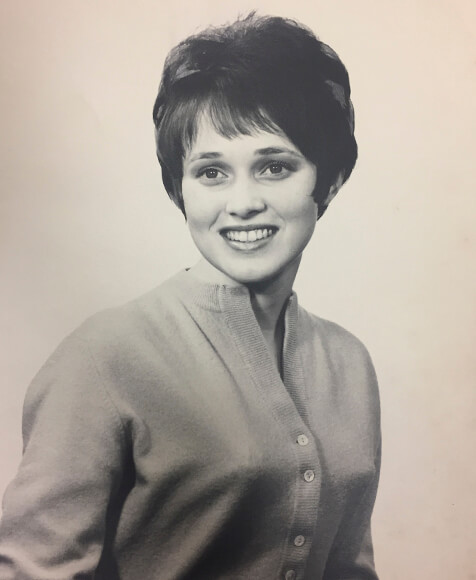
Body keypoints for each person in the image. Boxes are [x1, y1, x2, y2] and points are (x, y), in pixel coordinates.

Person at [0, 13, 381, 580]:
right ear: (180, 187)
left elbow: (351, 568)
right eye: (211, 172)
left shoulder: (349, 363)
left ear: (326, 180)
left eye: (274, 166)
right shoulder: (105, 356)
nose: (242, 202)